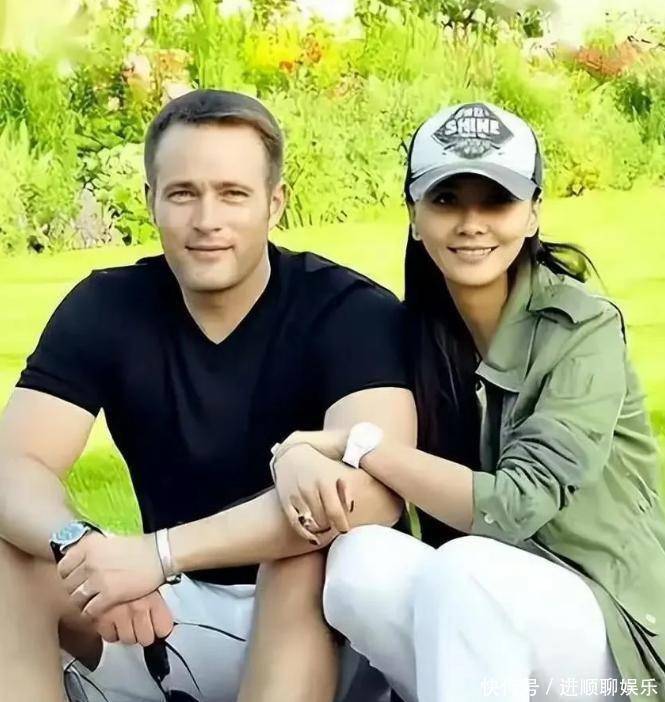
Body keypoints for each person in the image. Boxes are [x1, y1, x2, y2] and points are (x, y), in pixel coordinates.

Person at [0, 89, 417, 702]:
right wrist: (85, 547)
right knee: (11, 553)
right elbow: (14, 464)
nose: (206, 220)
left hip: (325, 623)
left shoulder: (348, 310)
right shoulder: (107, 306)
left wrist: (158, 554)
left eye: (232, 193)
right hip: (169, 611)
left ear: (275, 203)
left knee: (305, 545)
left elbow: (370, 493)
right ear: (150, 200)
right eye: (183, 194)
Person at [271, 102, 665, 702]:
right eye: (447, 199)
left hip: (617, 645)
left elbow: (516, 504)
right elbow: (331, 461)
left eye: (497, 201)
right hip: (480, 623)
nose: (471, 223)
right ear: (414, 216)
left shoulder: (582, 330)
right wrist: (295, 456)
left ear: (532, 213)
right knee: (358, 562)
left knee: (467, 569)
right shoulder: (414, 335)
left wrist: (359, 445)